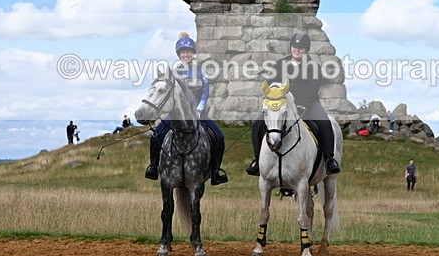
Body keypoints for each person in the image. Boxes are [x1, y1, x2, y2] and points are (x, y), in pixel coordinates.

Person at [246, 31, 341, 176]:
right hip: (283, 105)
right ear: (290, 48)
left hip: (307, 105)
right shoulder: (280, 64)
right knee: (257, 125)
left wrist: (304, 104)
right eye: (294, 47)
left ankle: (329, 159)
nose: (297, 50)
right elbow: (272, 84)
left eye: (301, 48)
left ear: (306, 50)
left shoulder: (313, 66)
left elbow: (312, 88)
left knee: (325, 123)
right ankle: (257, 161)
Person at [144, 33, 228, 186]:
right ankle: (154, 167)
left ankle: (216, 171)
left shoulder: (201, 71)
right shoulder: (173, 73)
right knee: (156, 134)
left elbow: (205, 92)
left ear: (192, 53)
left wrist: (199, 108)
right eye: (182, 52)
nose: (185, 54)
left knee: (219, 136)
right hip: (175, 114)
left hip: (198, 112)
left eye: (188, 51)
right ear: (179, 55)